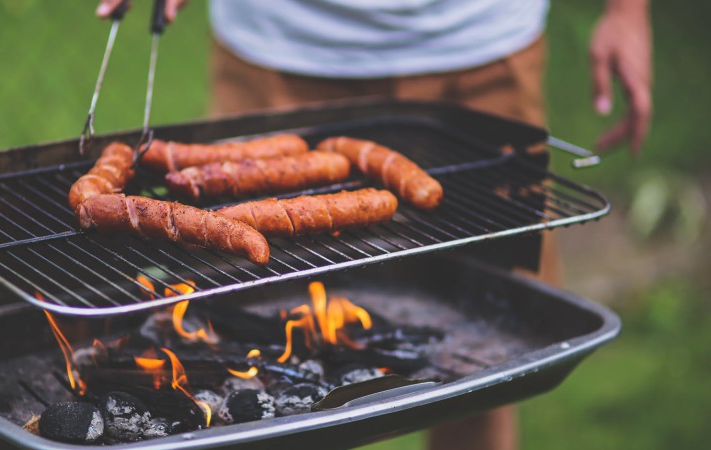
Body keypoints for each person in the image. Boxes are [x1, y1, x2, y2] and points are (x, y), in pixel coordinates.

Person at [96, 1, 653, 449]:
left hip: (480, 45)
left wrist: (628, 11)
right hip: (281, 43)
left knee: (488, 361)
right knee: (240, 343)